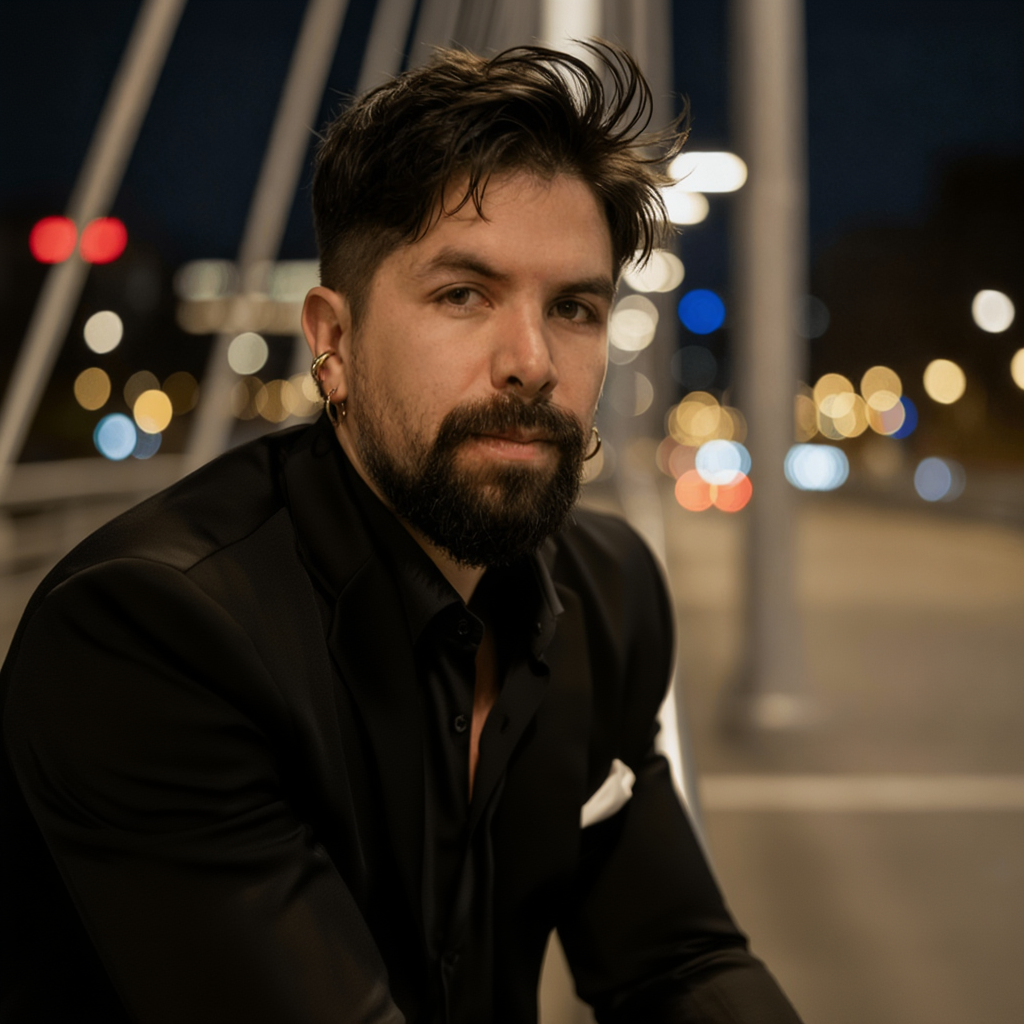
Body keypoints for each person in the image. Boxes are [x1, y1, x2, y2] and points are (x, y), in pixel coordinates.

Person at [0, 43, 802, 1024]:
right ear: (331, 341)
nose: (531, 361)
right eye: (462, 295)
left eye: (575, 307)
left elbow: (676, 960)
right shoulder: (150, 632)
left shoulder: (608, 591)